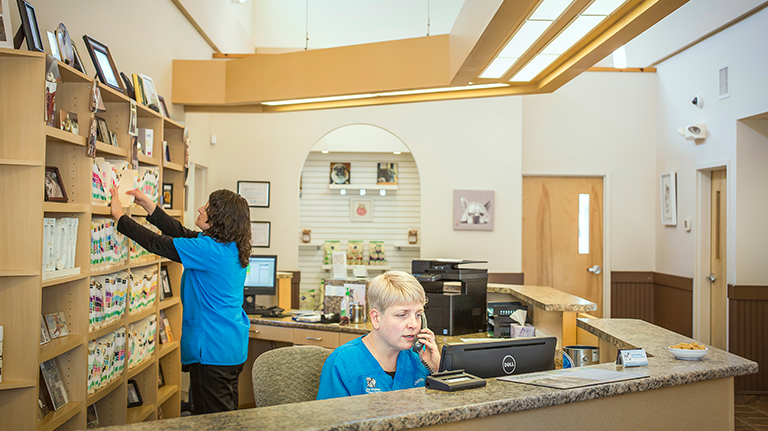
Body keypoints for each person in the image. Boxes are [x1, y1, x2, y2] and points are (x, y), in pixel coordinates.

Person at [110, 186, 251, 414]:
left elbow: (157, 243)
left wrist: (120, 217)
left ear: (220, 218)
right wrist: (148, 205)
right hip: (230, 347)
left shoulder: (209, 250)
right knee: (227, 418)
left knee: (212, 422)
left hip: (212, 349)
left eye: (207, 207)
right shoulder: (229, 246)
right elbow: (180, 232)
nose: (200, 208)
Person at [316, 271, 440, 399]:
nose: (414, 324)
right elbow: (329, 417)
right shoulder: (343, 362)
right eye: (402, 315)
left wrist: (437, 371)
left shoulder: (421, 358)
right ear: (376, 318)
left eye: (418, 315)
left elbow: (445, 413)